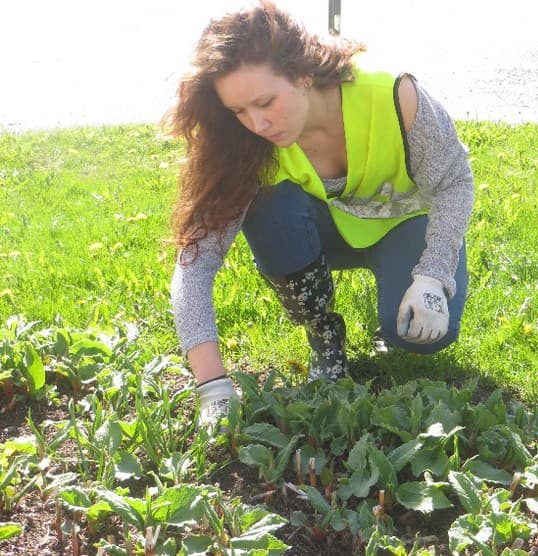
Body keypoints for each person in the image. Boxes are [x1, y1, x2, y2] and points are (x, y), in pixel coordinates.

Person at [167, 1, 474, 429]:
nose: (255, 123)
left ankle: (396, 308)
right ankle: (326, 336)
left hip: (405, 227)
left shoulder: (393, 93)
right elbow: (193, 266)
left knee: (420, 338)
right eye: (238, 111)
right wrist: (212, 386)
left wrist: (434, 275)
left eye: (265, 102)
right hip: (322, 235)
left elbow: (455, 181)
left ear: (303, 73)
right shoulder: (246, 143)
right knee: (268, 204)